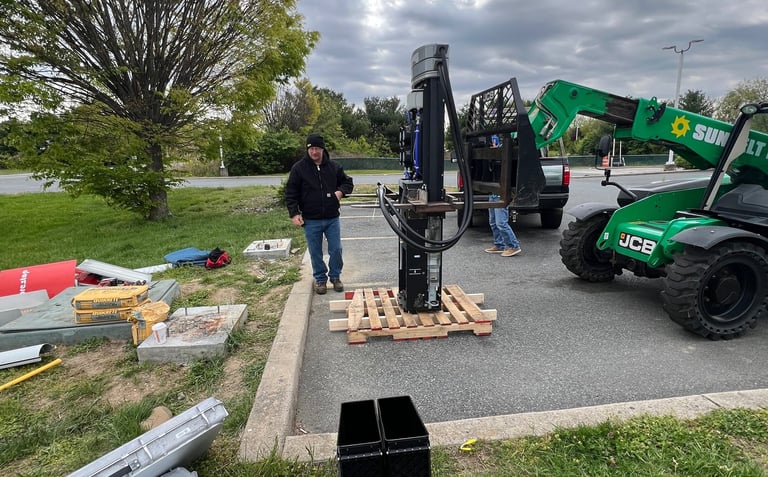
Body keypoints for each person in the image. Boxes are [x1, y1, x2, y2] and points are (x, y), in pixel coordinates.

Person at [285, 133, 354, 294]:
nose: (314, 152)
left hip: (332, 218)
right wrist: (294, 214)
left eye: (317, 148)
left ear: (322, 149)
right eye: (311, 149)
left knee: (336, 249)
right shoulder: (299, 168)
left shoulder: (334, 167)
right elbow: (291, 192)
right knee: (315, 251)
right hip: (311, 219)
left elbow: (347, 182)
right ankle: (320, 280)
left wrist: (341, 192)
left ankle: (335, 277)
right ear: (307, 150)